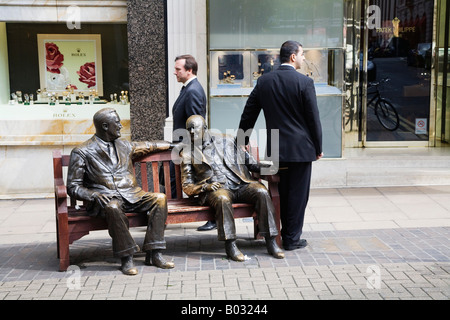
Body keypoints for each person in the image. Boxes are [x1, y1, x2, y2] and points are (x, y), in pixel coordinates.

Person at [67, 108, 175, 275]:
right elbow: (73, 186)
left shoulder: (124, 145)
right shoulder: (82, 151)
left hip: (132, 195)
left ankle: (154, 253)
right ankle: (127, 257)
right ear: (104, 126)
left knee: (159, 199)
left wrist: (172, 145)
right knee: (113, 208)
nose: (120, 125)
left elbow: (148, 146)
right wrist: (93, 195)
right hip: (106, 199)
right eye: (116, 123)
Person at [238, 40, 323, 251]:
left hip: (277, 149)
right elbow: (313, 118)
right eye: (302, 54)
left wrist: (242, 141)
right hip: (301, 149)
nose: (304, 58)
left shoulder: (264, 81)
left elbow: (249, 113)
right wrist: (318, 146)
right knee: (298, 195)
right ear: (293, 56)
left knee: (282, 192)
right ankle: (291, 239)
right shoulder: (304, 82)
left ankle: (280, 235)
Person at [179, 115, 284, 261]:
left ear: (204, 129)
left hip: (240, 183)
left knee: (261, 191)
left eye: (193, 128)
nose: (190, 132)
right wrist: (205, 187)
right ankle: (231, 245)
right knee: (222, 198)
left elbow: (251, 163)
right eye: (188, 129)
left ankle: (271, 241)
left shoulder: (227, 140)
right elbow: (187, 186)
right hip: (216, 189)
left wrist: (273, 168)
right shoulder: (187, 152)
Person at [172, 54, 215, 232]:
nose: (175, 72)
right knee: (169, 178)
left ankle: (214, 217)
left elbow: (197, 124)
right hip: (182, 147)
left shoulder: (193, 90)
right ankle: (168, 214)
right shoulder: (188, 88)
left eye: (178, 69)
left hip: (189, 149)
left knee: (202, 181)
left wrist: (192, 151)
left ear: (189, 71)